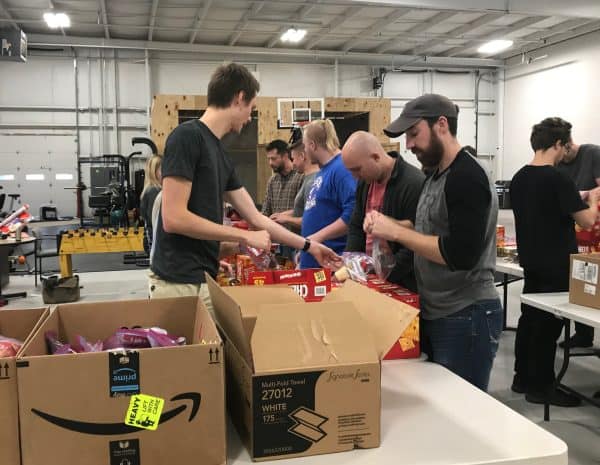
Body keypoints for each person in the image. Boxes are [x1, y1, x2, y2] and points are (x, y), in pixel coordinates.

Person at [149, 63, 340, 309]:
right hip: (176, 284)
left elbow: (257, 218)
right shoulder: (187, 137)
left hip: (202, 278)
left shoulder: (220, 154)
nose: (250, 117)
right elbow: (174, 218)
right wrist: (244, 235)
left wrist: (309, 246)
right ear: (239, 98)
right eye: (251, 108)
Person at [365, 93, 502, 391]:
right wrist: (391, 227)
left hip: (466, 315)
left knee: (463, 409)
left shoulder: (467, 177)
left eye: (414, 134)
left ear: (441, 125)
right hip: (438, 311)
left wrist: (399, 233)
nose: (409, 145)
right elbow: (429, 228)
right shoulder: (436, 175)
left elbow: (460, 253)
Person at [510, 117, 600, 406]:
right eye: (565, 146)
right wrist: (594, 200)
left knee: (529, 320)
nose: (565, 153)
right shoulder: (558, 179)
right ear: (558, 144)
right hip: (556, 263)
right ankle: (542, 385)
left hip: (532, 261)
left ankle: (521, 377)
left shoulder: (519, 178)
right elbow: (586, 220)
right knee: (548, 327)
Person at [342, 131, 424, 291]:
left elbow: (415, 245)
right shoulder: (365, 183)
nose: (355, 176)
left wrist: (382, 276)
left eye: (358, 170)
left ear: (376, 157)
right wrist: (350, 266)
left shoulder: (413, 183)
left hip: (402, 285)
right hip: (370, 281)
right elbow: (356, 227)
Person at [556, 139, 600, 349]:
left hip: (595, 230)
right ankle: (583, 333)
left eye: (561, 152)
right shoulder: (558, 163)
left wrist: (581, 196)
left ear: (567, 143)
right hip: (575, 231)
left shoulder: (593, 154)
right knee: (580, 281)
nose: (560, 158)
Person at [300, 119, 357, 269]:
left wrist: (316, 238)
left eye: (305, 146)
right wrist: (306, 247)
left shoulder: (341, 169)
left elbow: (352, 215)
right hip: (313, 261)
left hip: (329, 264)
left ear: (312, 145)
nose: (304, 151)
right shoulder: (323, 170)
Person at [261, 139, 304, 259]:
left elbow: (304, 210)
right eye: (269, 159)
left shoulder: (301, 178)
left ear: (285, 156)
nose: (270, 163)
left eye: (273, 159)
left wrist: (285, 217)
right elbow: (266, 210)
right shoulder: (272, 181)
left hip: (296, 243)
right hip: (275, 245)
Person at [269, 135, 319, 231]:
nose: (293, 163)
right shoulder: (308, 179)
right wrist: (281, 215)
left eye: (293, 159)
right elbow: (303, 210)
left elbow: (312, 220)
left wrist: (287, 219)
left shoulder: (313, 181)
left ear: (302, 156)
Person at [139, 155, 162, 254]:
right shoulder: (154, 191)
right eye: (162, 169)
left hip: (154, 240)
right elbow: (155, 222)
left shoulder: (150, 190)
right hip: (154, 242)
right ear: (154, 172)